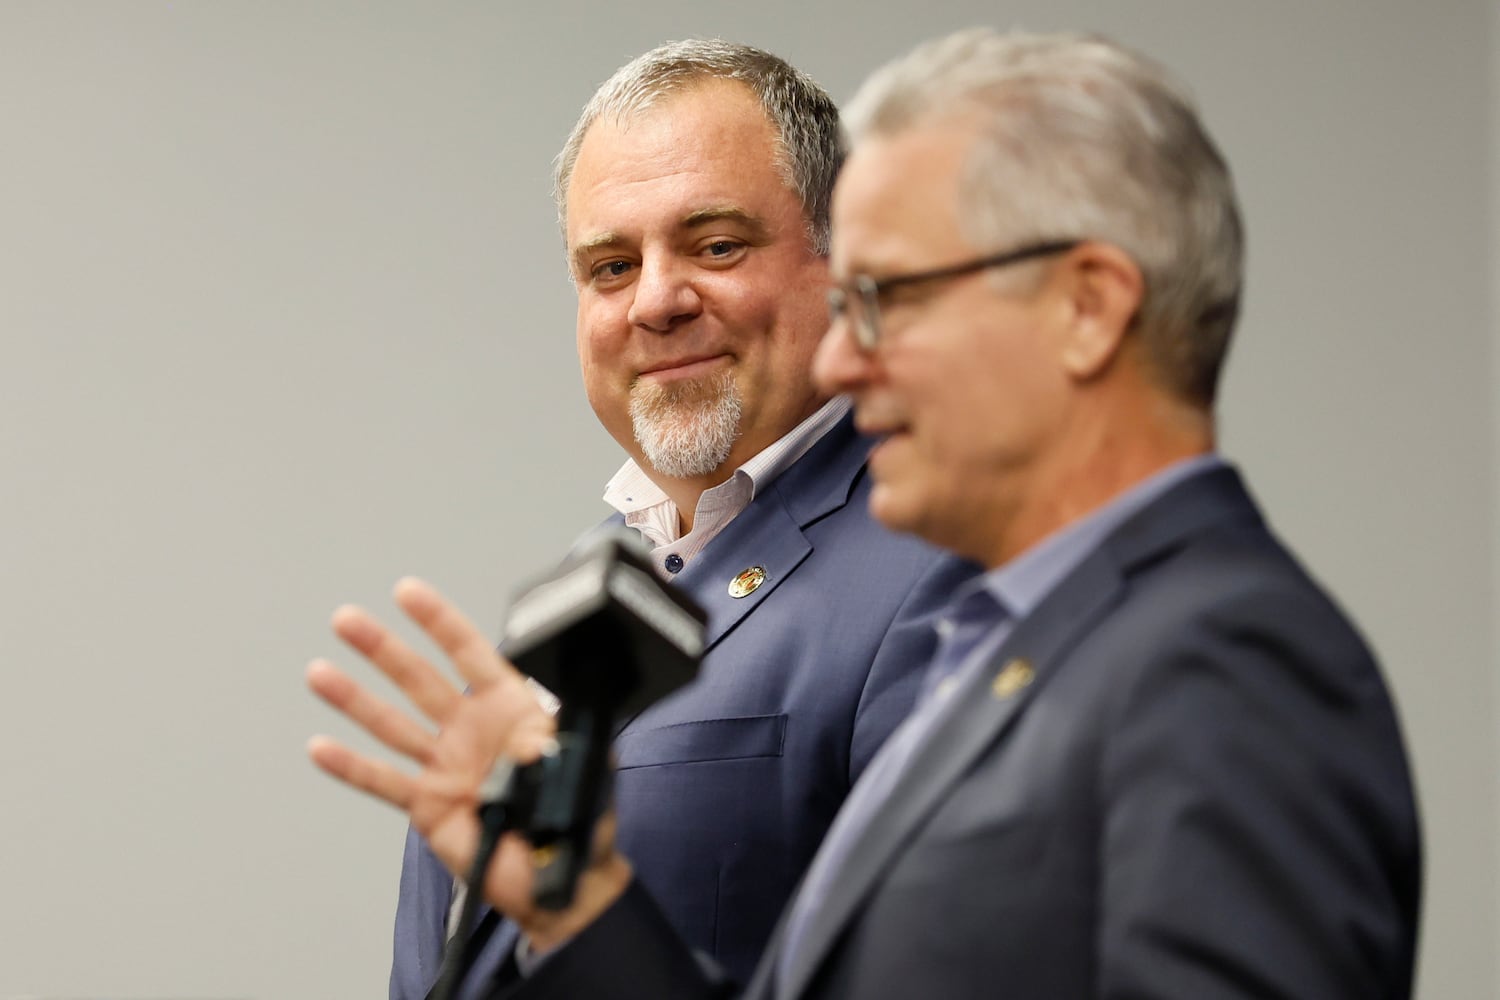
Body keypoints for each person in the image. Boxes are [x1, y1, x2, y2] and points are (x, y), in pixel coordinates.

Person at [310, 27, 1422, 999]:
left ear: (1088, 309)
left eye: (891, 297)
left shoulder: (1224, 659)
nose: (847, 350)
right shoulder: (1047, 637)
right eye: (607, 264)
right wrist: (583, 912)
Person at [376, 39, 977, 1000]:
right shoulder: (585, 596)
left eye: (717, 245)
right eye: (610, 266)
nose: (655, 300)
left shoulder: (950, 571)